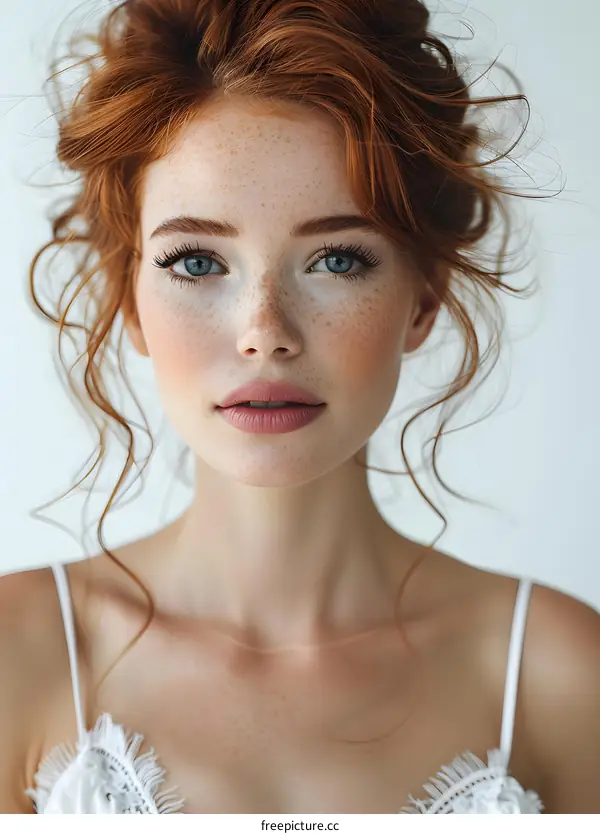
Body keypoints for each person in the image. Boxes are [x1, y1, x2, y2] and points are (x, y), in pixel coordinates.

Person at [0, 0, 598, 815]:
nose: (265, 334)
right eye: (197, 262)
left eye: (338, 259)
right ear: (130, 301)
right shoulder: (21, 655)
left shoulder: (559, 674)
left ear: (424, 298)